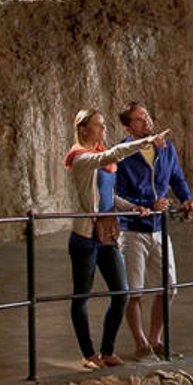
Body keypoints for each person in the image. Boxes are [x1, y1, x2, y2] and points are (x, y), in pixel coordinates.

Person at [64, 108, 159, 369]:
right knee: (82, 296)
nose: (103, 130)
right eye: (98, 125)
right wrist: (142, 142)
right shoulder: (81, 157)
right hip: (85, 235)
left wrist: (132, 208)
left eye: (104, 125)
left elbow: (109, 197)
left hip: (106, 233)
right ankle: (88, 353)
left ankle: (107, 350)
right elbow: (114, 153)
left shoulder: (98, 157)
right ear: (83, 129)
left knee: (121, 293)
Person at [114, 102, 193, 360]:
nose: (147, 122)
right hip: (132, 230)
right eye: (139, 120)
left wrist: (187, 198)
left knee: (169, 286)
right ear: (128, 127)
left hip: (159, 227)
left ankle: (155, 339)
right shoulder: (121, 153)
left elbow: (176, 177)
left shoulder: (165, 148)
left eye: (147, 116)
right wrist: (145, 205)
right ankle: (141, 343)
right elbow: (116, 193)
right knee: (134, 291)